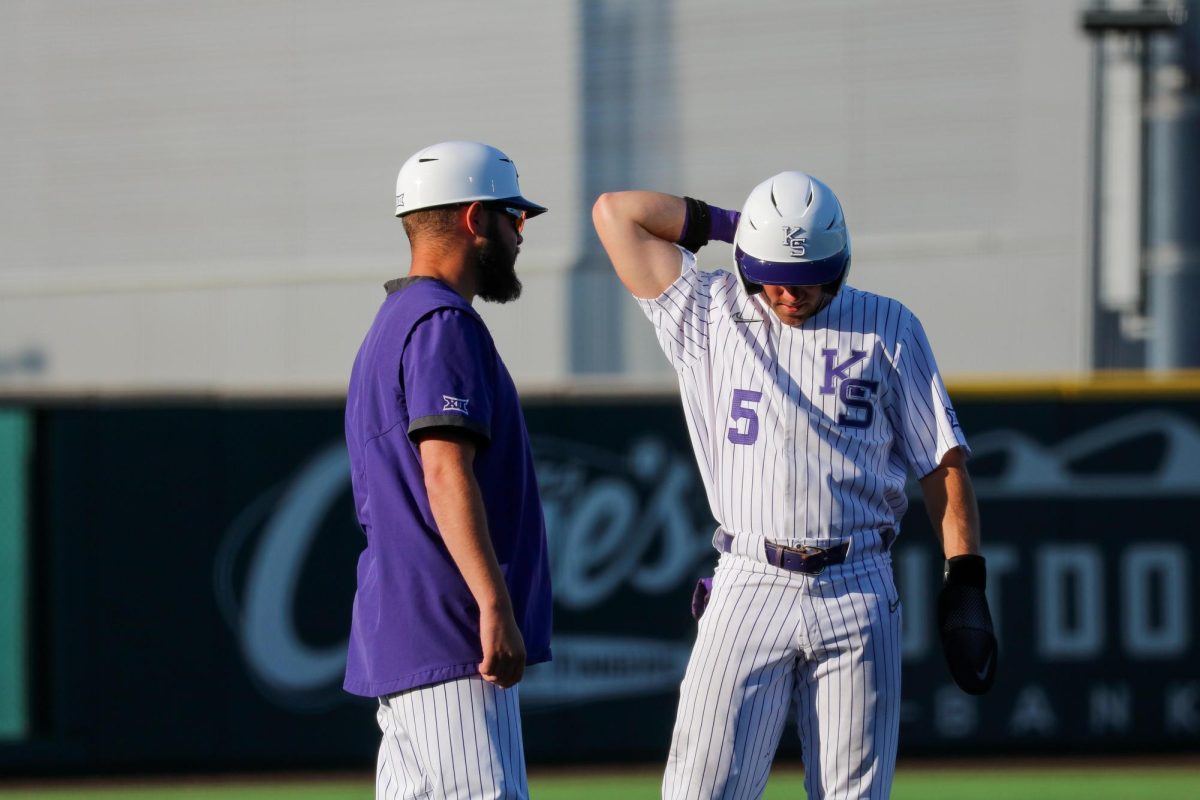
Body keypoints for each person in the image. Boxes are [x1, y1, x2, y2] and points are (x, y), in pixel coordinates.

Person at [593, 173, 997, 799]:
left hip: (857, 582)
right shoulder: (711, 312)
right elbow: (616, 214)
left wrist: (965, 580)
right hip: (750, 579)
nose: (785, 292)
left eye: (803, 276)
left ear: (839, 264)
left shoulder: (887, 326)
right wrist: (744, 228)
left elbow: (941, 464)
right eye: (770, 273)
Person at [344, 140, 553, 800]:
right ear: (473, 220)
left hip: (405, 629)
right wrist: (493, 605)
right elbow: (444, 472)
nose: (521, 236)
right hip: (449, 626)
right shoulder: (442, 323)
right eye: (513, 217)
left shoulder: (392, 323)